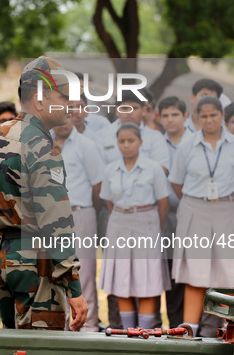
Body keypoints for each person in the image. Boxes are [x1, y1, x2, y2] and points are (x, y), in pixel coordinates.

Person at [0, 56, 87, 331]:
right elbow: (57, 223)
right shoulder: (41, 147)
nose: (70, 105)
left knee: (12, 344)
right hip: (35, 263)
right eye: (63, 97)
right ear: (39, 99)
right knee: (41, 347)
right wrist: (75, 288)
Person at [169, 96, 234, 336]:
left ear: (222, 115)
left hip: (228, 210)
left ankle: (228, 330)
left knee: (229, 273)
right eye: (203, 116)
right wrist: (200, 200)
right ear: (197, 117)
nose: (209, 120)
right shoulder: (186, 145)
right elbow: (177, 182)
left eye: (213, 115)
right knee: (195, 275)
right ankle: (189, 331)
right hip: (196, 209)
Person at [100, 123, 170, 330]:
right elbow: (108, 200)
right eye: (121, 141)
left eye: (131, 140)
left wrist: (153, 225)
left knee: (147, 278)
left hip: (146, 223)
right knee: (123, 279)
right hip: (119, 223)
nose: (126, 145)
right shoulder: (110, 169)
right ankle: (129, 331)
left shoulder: (153, 168)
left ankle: (145, 333)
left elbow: (163, 203)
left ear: (140, 142)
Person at [53, 112, 102, 332]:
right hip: (51, 218)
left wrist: (85, 210)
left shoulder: (86, 145)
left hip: (80, 213)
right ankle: (62, 328)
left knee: (86, 273)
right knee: (56, 271)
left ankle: (89, 327)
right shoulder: (43, 143)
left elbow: (97, 185)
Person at [157, 96, 193, 329]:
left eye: (175, 114)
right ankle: (175, 325)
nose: (171, 120)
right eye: (166, 115)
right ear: (159, 119)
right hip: (166, 215)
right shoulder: (155, 144)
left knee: (193, 270)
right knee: (171, 274)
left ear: (186, 116)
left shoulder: (195, 141)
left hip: (192, 213)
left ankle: (194, 325)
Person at [95, 90, 169, 171]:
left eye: (134, 108)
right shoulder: (102, 136)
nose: (129, 112)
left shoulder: (155, 138)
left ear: (143, 110)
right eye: (124, 108)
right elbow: (98, 171)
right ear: (117, 110)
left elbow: (162, 169)